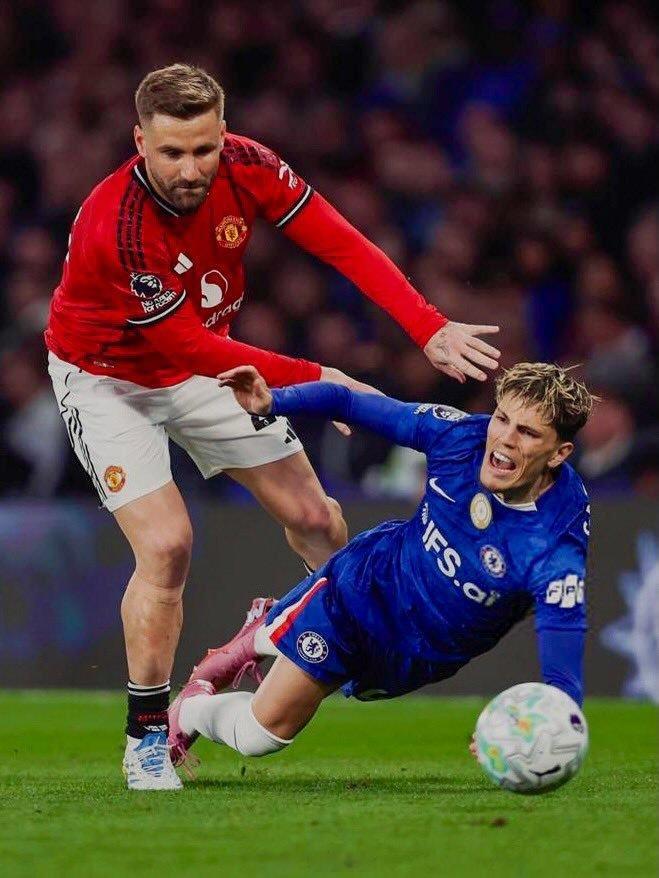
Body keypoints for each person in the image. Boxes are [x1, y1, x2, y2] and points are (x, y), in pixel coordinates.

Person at [44, 64, 500, 790]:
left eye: (204, 149)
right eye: (171, 153)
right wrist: (321, 379)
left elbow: (340, 243)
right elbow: (181, 344)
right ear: (139, 143)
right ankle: (147, 737)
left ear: (224, 135)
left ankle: (283, 627)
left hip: (212, 365)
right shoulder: (118, 226)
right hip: (109, 381)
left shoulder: (249, 165)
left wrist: (427, 326)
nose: (190, 169)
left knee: (319, 522)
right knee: (166, 546)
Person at [168, 362, 593, 773]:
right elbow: (346, 401)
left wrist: (524, 733)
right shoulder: (459, 437)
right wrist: (273, 401)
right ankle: (190, 709)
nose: (504, 440)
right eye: (502, 419)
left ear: (560, 453)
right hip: (364, 588)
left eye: (527, 432)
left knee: (269, 721)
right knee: (261, 736)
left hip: (419, 656)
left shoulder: (554, 545)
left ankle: (266, 630)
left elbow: (562, 668)